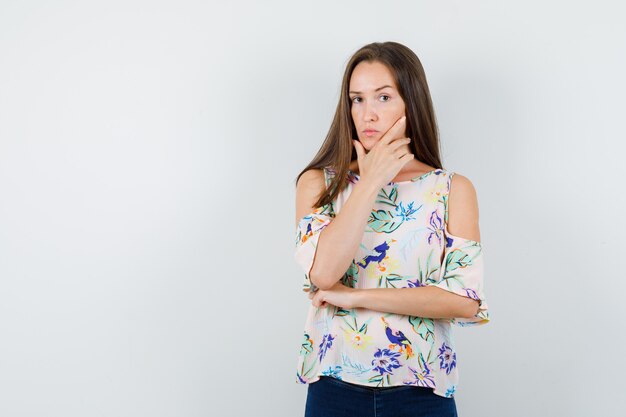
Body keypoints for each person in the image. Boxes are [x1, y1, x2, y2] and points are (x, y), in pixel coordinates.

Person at [293, 41, 490, 417]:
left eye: (383, 97)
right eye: (357, 99)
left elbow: (464, 301)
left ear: (410, 103)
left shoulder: (452, 189)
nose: (368, 114)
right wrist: (369, 183)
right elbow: (323, 272)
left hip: (422, 390)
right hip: (334, 384)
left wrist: (354, 297)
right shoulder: (320, 183)